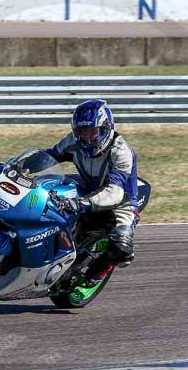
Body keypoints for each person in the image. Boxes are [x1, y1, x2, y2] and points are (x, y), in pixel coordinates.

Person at [43, 99, 139, 284]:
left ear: (106, 129)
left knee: (122, 246)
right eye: (83, 132)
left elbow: (114, 191)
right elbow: (49, 155)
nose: (88, 137)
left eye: (93, 131)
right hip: (85, 190)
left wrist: (81, 203)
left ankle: (96, 273)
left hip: (121, 202)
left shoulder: (121, 152)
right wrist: (19, 164)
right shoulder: (72, 142)